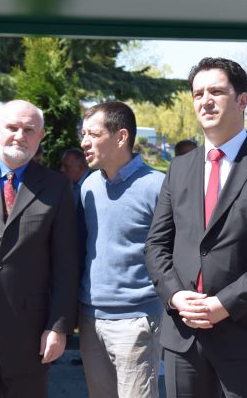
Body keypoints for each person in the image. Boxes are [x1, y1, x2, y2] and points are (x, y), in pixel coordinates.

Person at [145, 57, 247, 398]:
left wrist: (224, 304)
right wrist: (175, 295)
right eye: (198, 93)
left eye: (216, 91)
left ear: (242, 100)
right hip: (184, 337)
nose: (205, 100)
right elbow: (156, 245)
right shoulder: (178, 168)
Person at [0, 100, 79, 398]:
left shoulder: (57, 187)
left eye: (29, 129)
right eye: (12, 127)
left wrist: (58, 326)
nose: (20, 136)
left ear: (41, 136)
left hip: (29, 335)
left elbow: (66, 264)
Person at [78, 101, 164, 398]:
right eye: (83, 134)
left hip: (137, 320)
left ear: (121, 137)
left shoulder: (158, 186)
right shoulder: (88, 186)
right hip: (90, 319)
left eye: (92, 134)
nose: (84, 142)